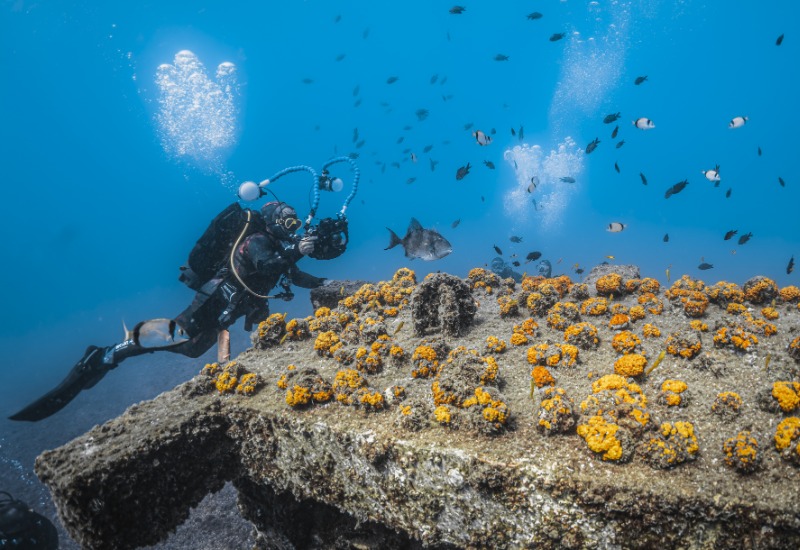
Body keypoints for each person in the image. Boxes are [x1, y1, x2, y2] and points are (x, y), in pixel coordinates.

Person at [10, 201, 328, 422]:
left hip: (239, 303)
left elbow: (291, 275)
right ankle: (108, 354)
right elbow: (269, 265)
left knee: (193, 349)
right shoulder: (258, 241)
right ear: (271, 221)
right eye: (287, 219)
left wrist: (325, 282)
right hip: (217, 296)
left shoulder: (279, 248)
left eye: (295, 221)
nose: (293, 225)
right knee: (178, 335)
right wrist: (297, 251)